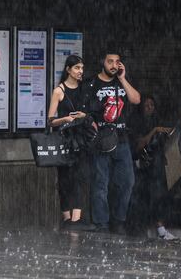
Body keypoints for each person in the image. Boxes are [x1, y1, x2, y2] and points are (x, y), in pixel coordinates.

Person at [83, 50, 141, 234]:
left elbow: (136, 99)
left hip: (121, 138)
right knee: (101, 182)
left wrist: (123, 78)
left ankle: (119, 219)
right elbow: (84, 111)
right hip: (101, 139)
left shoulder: (121, 82)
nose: (114, 65)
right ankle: (102, 223)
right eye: (110, 62)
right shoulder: (92, 83)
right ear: (103, 63)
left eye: (117, 62)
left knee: (127, 181)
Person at [47, 54, 92, 231]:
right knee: (65, 179)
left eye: (82, 68)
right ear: (68, 70)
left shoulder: (84, 89)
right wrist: (65, 119)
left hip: (81, 139)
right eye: (77, 68)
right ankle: (67, 218)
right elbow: (50, 120)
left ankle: (76, 219)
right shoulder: (59, 91)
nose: (80, 71)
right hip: (66, 140)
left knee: (81, 177)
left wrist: (84, 116)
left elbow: (90, 114)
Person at [128, 95, 177, 240]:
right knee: (144, 198)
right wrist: (154, 130)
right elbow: (139, 144)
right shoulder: (137, 122)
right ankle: (140, 228)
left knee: (160, 197)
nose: (150, 108)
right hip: (143, 166)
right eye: (147, 105)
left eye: (152, 105)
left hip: (157, 163)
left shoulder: (157, 120)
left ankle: (161, 228)